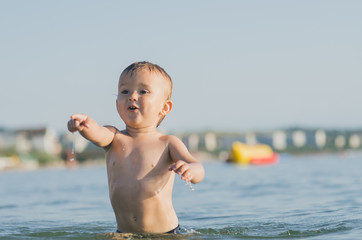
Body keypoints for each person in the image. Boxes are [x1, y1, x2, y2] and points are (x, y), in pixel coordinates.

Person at [67, 61, 205, 234]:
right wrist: (85, 125)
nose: (132, 96)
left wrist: (190, 169)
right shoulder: (114, 137)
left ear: (164, 107)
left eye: (143, 91)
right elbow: (97, 133)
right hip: (124, 234)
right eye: (124, 91)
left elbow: (198, 168)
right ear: (117, 103)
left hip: (166, 235)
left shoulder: (167, 143)